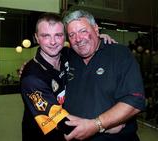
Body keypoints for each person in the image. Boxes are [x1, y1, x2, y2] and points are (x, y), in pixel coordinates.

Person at [20, 13, 118, 141]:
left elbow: (87, 45)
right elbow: (64, 125)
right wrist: (105, 125)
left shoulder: (67, 54)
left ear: (64, 37)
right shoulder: (32, 78)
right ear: (37, 38)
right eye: (46, 36)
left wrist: (98, 38)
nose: (53, 42)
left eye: (58, 35)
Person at [62, 10, 146, 141]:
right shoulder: (67, 57)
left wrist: (96, 125)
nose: (78, 39)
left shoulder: (119, 54)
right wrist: (29, 67)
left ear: (96, 29)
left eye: (83, 31)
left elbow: (134, 100)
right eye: (72, 35)